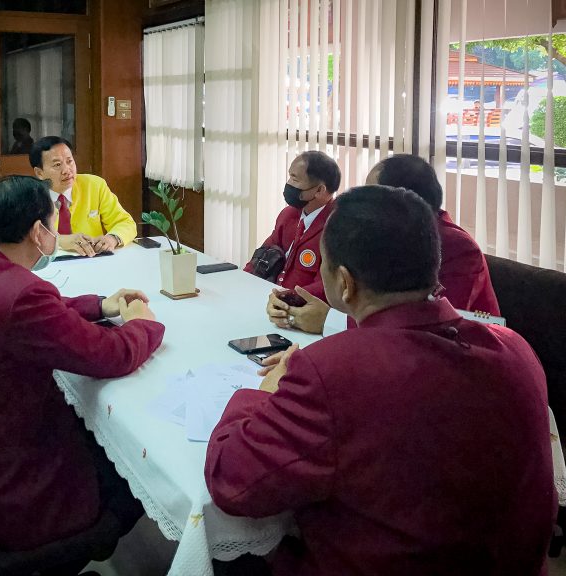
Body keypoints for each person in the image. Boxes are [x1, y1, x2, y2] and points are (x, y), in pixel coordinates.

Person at [205, 185, 554, 576]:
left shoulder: (331, 374)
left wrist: (261, 393)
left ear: (344, 282)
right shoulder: (515, 350)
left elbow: (230, 480)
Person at [0, 175, 163, 553]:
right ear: (39, 232)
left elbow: (34, 311)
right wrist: (143, 324)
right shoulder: (20, 295)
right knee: (134, 462)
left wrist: (99, 305)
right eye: (53, 220)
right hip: (3, 491)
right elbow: (110, 355)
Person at [268, 154, 500, 334]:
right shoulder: (387, 234)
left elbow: (430, 325)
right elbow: (348, 277)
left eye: (372, 195)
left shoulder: (458, 249)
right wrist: (293, 298)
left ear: (401, 202)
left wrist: (330, 321)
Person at [244, 150, 340, 299]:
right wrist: (244, 280)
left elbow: (325, 286)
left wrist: (285, 298)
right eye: (290, 176)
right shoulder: (288, 215)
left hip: (300, 305)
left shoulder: (337, 227)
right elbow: (263, 254)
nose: (289, 183)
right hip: (269, 297)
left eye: (295, 179)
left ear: (320, 190)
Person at [30, 136, 137, 256]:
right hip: (48, 264)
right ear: (39, 173)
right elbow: (23, 238)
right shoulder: (29, 196)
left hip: (91, 260)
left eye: (69, 161)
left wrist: (112, 238)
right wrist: (59, 241)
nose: (67, 170)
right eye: (57, 165)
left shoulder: (94, 185)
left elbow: (126, 223)